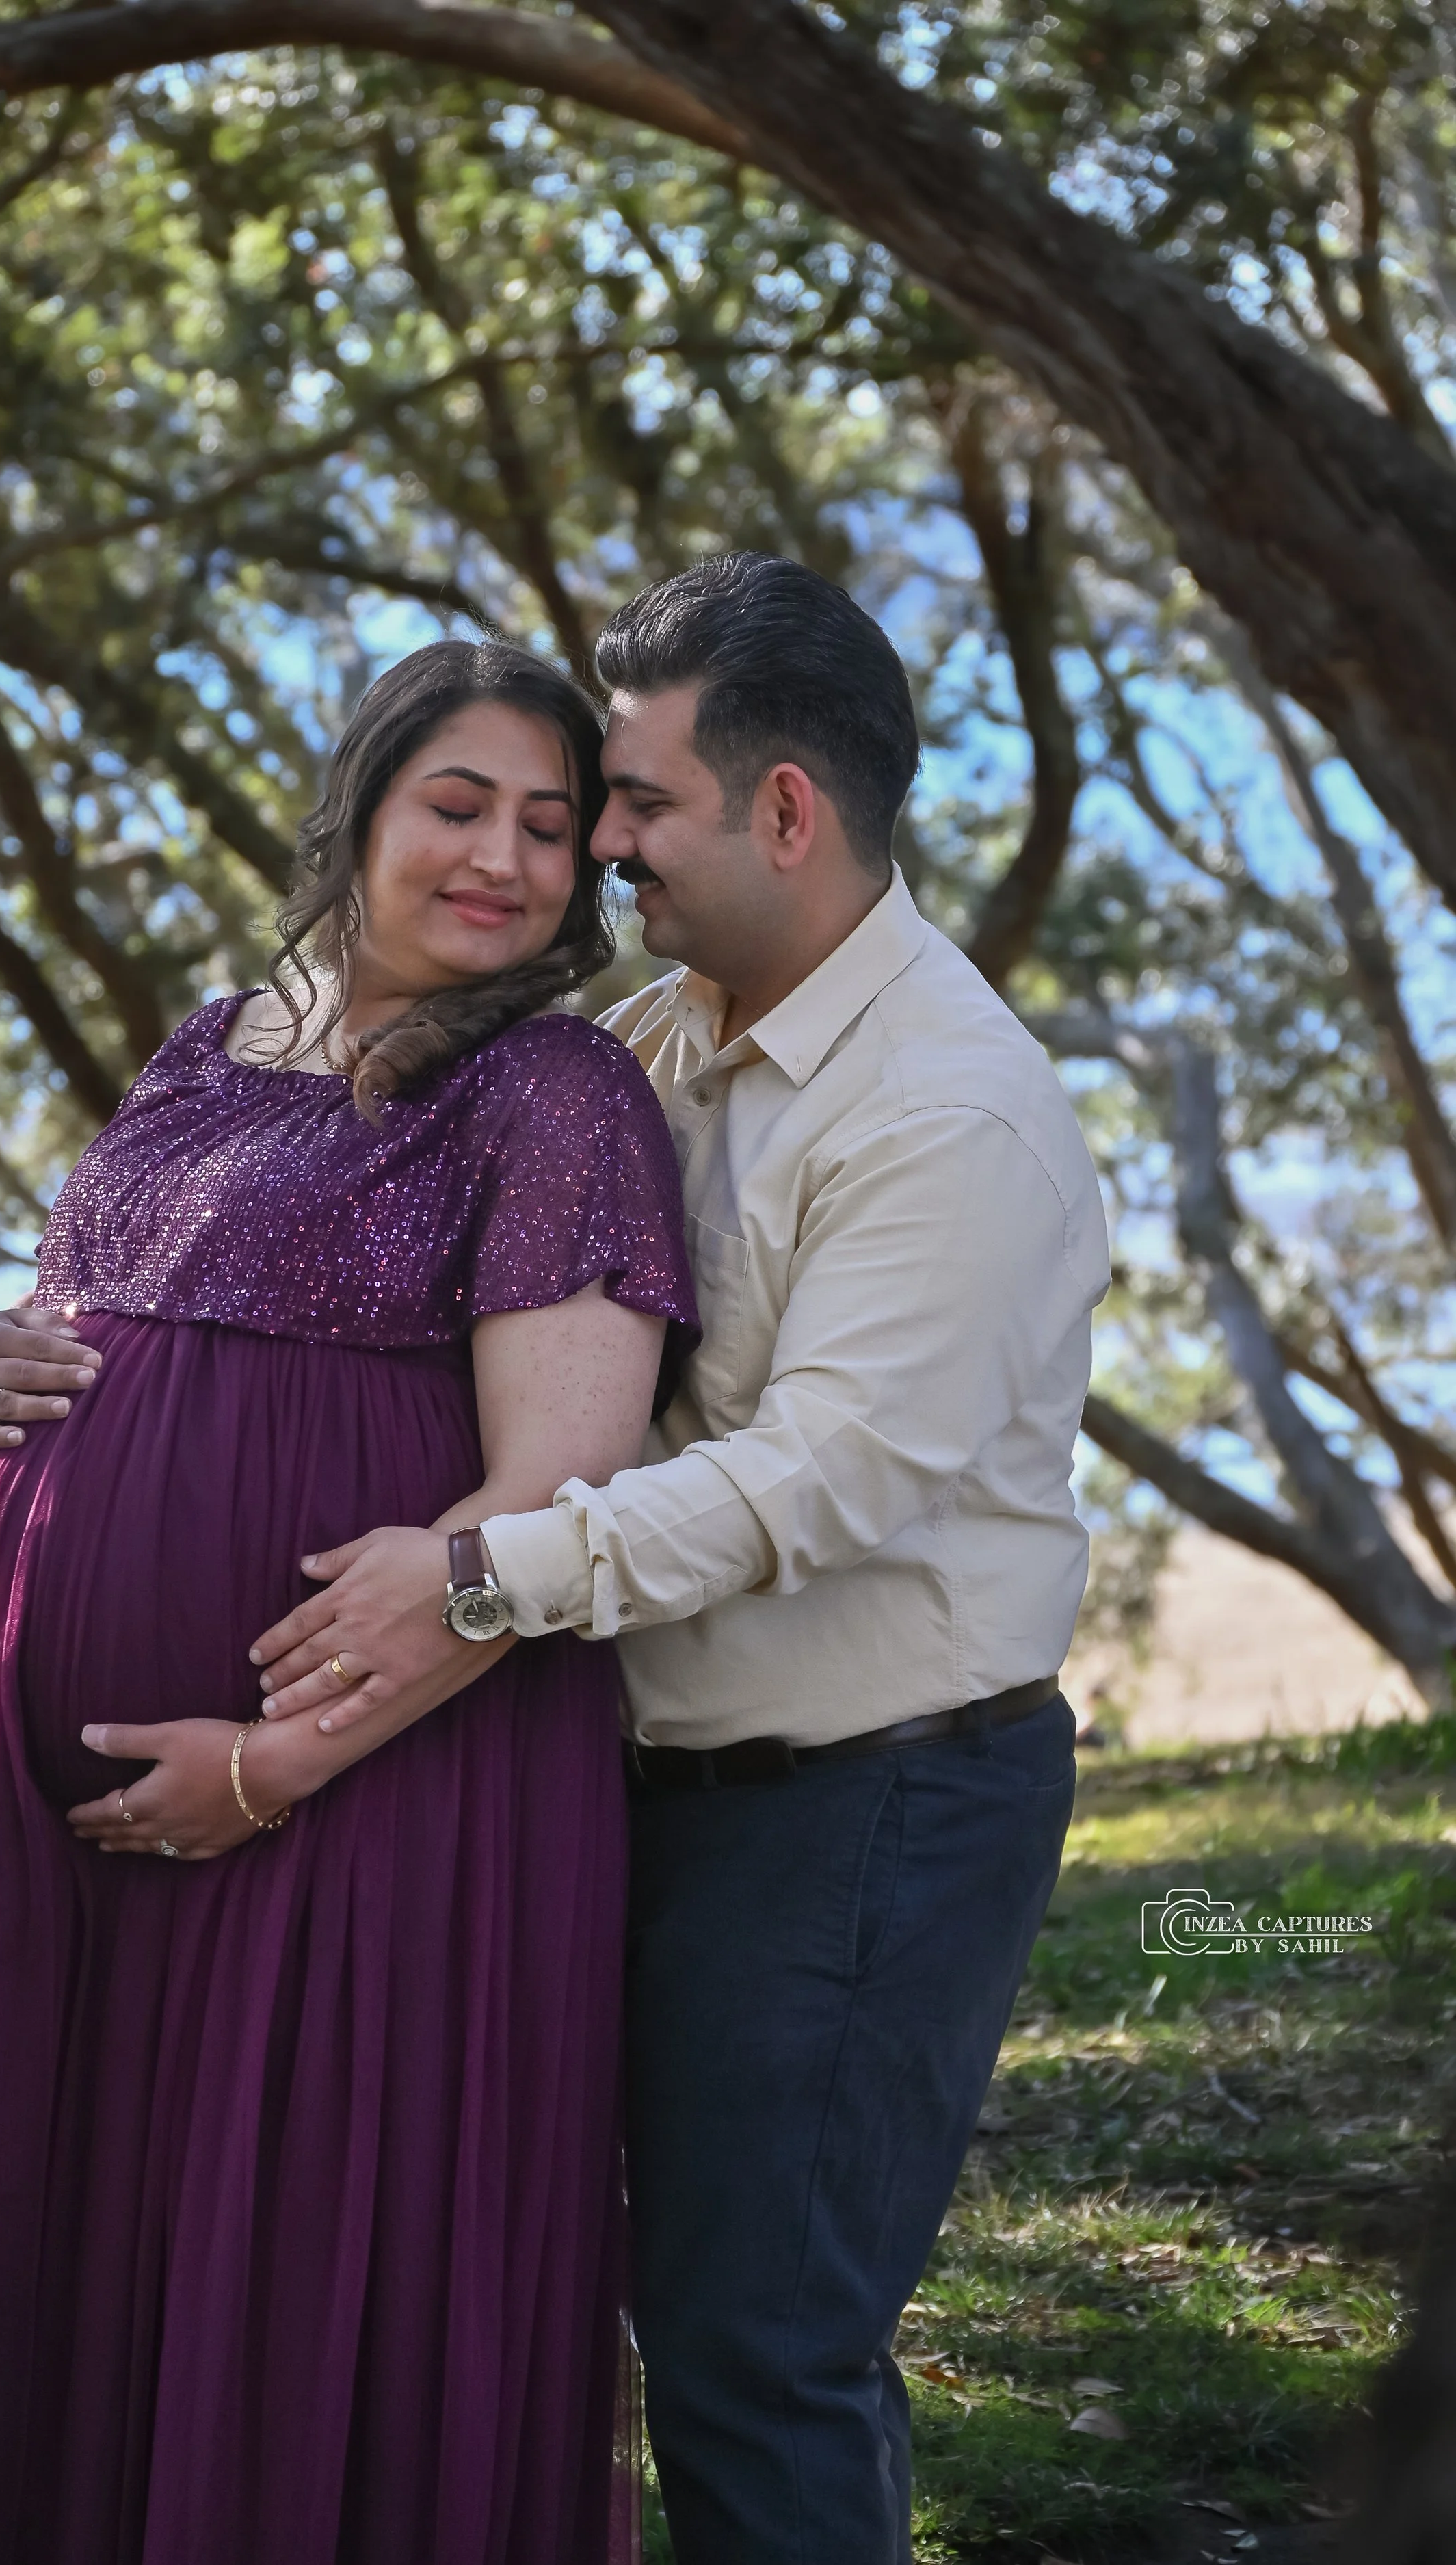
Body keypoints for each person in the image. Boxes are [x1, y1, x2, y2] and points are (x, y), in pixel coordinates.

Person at [0, 639, 698, 2565]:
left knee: (281, 2292)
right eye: (457, 804)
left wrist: (273, 1764)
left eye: (551, 826)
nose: (506, 860)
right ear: (359, 807)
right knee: (50, 2284)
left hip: (364, 1810)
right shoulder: (211, 1042)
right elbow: (76, 1307)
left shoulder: (556, 1094)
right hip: (39, 1828)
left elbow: (553, 1494)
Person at [251, 554, 1112, 2565]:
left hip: (867, 1810)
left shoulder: (952, 1116)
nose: (591, 845)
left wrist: (470, 1579)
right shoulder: (653, 1040)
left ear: (784, 809)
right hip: (640, 1790)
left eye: (628, 802)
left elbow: (812, 1480)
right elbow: (346, 1216)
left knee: (757, 2344)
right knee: (603, 2323)